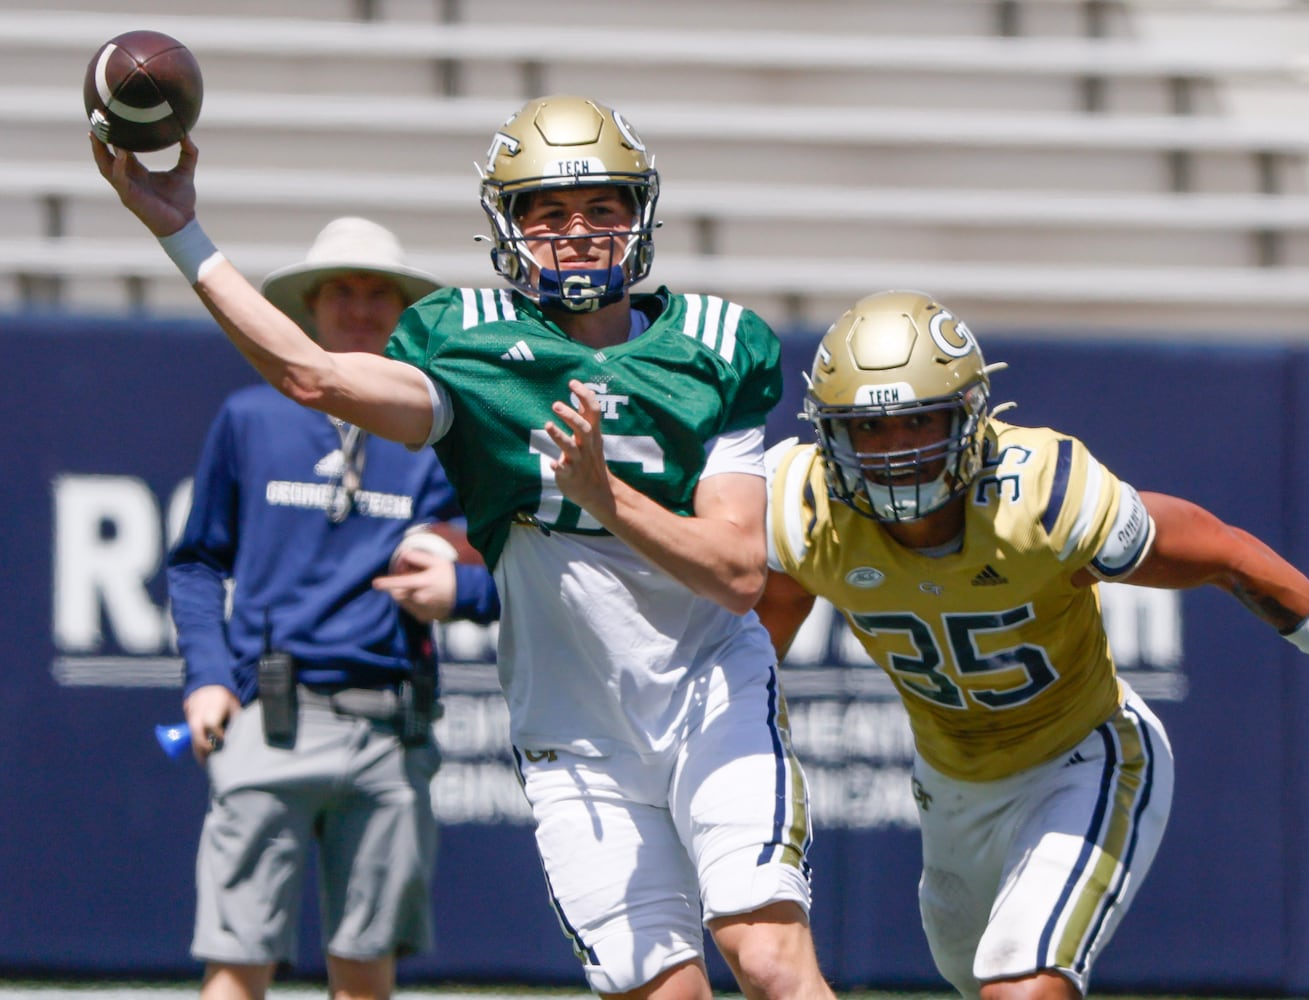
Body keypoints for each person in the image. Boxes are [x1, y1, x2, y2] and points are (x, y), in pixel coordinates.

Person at [95, 94, 836, 1000]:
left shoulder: (718, 345)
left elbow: (735, 572)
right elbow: (310, 373)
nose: (579, 232)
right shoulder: (470, 348)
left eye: (603, 207)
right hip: (575, 737)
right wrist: (182, 233)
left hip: (711, 694)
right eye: (549, 211)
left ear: (639, 216)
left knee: (765, 956)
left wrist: (603, 497)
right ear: (507, 226)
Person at [756, 289, 1309, 1000]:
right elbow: (764, 634)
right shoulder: (803, 509)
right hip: (951, 784)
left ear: (968, 416)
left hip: (1085, 757)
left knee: (1020, 985)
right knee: (971, 978)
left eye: (917, 422)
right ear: (829, 432)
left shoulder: (1043, 498)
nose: (896, 452)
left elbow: (1224, 554)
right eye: (869, 429)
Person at [167, 217, 499, 1000]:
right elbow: (195, 563)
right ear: (311, 307)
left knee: (365, 969)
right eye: (341, 292)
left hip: (392, 725)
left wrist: (462, 592)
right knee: (237, 961)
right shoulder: (251, 419)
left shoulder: (441, 431)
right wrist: (208, 677)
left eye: (377, 293)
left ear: (401, 310)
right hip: (268, 713)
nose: (358, 309)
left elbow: (516, 566)